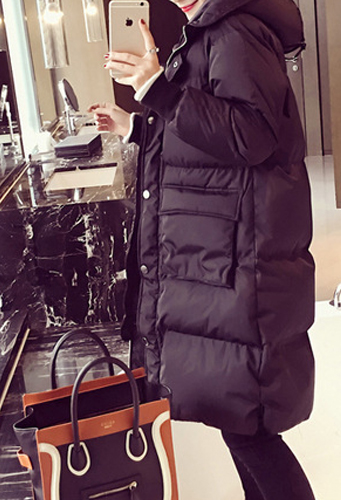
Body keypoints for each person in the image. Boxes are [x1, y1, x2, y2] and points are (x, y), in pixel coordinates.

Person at [89, 0, 316, 498]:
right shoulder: (209, 31)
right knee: (240, 421)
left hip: (237, 257)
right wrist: (136, 125)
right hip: (221, 252)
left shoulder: (235, 33)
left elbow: (251, 136)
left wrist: (157, 88)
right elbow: (206, 136)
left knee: (249, 427)